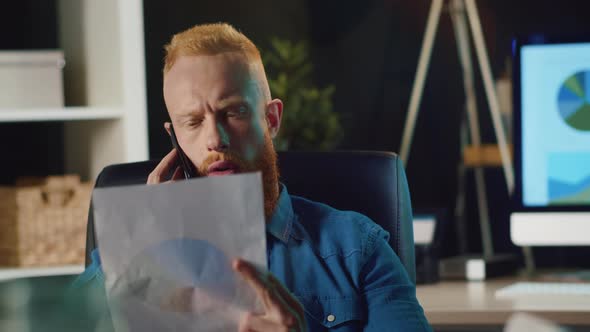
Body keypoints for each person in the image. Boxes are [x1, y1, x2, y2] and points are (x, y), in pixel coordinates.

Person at [75, 22, 432, 331]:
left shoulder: (358, 250)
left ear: (272, 119)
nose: (215, 139)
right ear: (174, 136)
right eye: (193, 122)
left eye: (233, 112)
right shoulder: (131, 251)